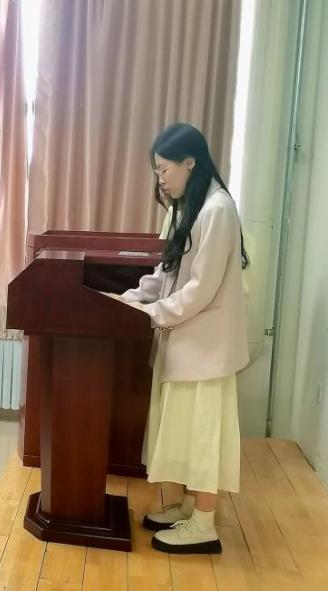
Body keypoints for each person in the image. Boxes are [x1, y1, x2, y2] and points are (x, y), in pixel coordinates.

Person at [120, 123, 249, 554]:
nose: (160, 179)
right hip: (186, 341)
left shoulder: (218, 210)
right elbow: (168, 272)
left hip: (206, 347)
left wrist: (152, 314)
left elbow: (200, 289)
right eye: (156, 171)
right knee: (180, 430)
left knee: (202, 434)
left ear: (189, 162)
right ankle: (185, 508)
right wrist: (130, 299)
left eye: (164, 169)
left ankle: (204, 524)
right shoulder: (187, 208)